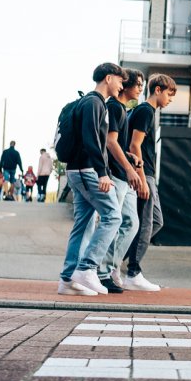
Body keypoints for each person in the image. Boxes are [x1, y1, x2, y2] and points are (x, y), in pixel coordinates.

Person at [59, 62, 126, 296]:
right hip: (88, 171)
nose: (121, 86)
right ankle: (87, 268)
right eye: (120, 80)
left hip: (78, 171)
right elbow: (92, 140)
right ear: (108, 78)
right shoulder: (95, 103)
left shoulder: (89, 102)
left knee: (84, 224)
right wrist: (102, 172)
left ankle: (67, 279)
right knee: (113, 216)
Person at [123, 73, 177, 292]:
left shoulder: (145, 111)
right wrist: (142, 180)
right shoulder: (145, 110)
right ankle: (133, 272)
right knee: (147, 222)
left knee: (153, 221)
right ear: (158, 90)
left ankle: (119, 261)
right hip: (145, 174)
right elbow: (135, 146)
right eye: (169, 94)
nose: (171, 100)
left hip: (146, 174)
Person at [97, 69, 145, 294]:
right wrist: (129, 167)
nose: (140, 90)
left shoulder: (124, 110)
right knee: (116, 223)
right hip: (117, 175)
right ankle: (103, 271)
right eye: (138, 85)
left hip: (123, 174)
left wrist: (130, 156)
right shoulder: (115, 107)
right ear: (126, 85)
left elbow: (118, 144)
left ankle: (111, 267)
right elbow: (109, 141)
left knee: (130, 223)